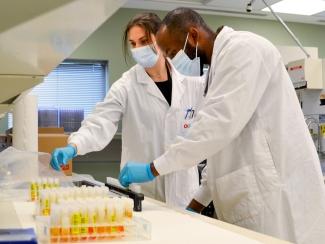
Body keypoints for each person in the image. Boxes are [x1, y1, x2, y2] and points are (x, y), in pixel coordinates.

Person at [118, 8, 325, 244]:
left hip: (275, 200)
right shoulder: (215, 73)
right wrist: (194, 205)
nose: (173, 60)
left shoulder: (244, 50)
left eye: (174, 52)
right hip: (248, 199)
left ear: (193, 36)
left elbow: (214, 129)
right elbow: (217, 150)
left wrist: (153, 168)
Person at [50, 12, 205, 208]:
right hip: (145, 194)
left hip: (184, 193)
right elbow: (100, 122)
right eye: (133, 44)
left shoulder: (189, 83)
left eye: (144, 41)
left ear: (161, 37)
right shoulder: (126, 85)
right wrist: (74, 146)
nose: (138, 49)